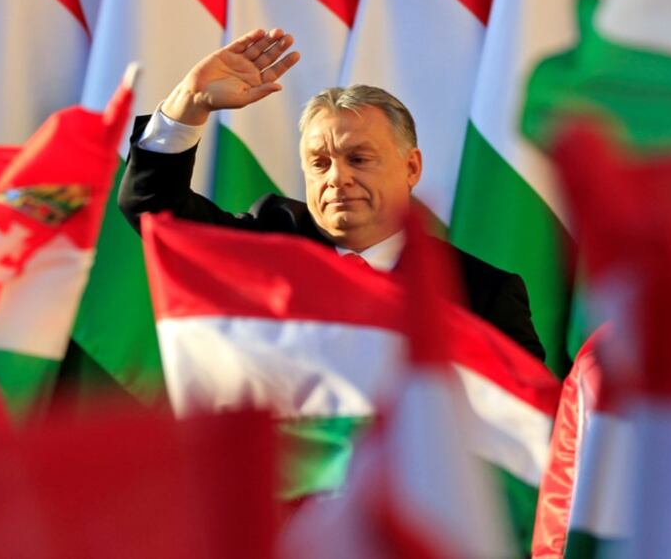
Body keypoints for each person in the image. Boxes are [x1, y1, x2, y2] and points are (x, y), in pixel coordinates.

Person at [118, 28, 545, 361]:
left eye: (358, 159)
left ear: (411, 166)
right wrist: (188, 105)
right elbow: (154, 209)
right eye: (320, 163)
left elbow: (524, 425)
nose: (337, 178)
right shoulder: (271, 241)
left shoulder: (481, 291)